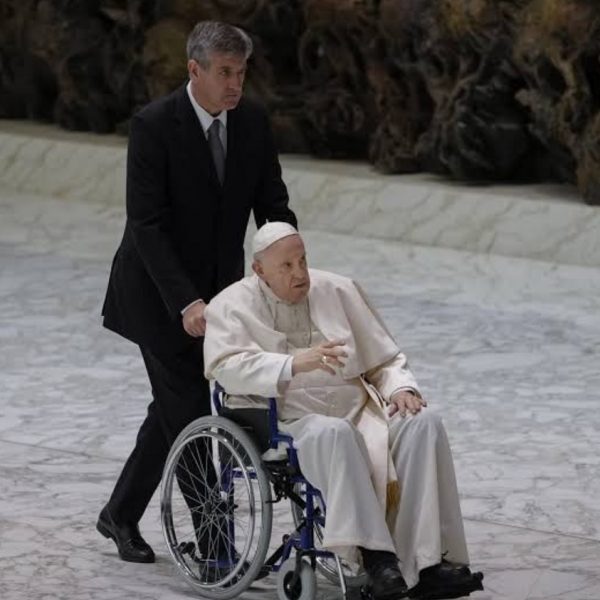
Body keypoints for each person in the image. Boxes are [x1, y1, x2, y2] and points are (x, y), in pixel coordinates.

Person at [98, 22, 296, 563]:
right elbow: (147, 225)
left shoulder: (252, 122)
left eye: (241, 72)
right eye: (225, 73)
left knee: (171, 406)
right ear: (195, 70)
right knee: (187, 411)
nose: (235, 84)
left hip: (221, 293)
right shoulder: (154, 126)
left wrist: (288, 266)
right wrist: (186, 302)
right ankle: (217, 550)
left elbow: (273, 204)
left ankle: (118, 514)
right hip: (156, 296)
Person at [203, 222, 484, 600]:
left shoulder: (337, 289)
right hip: (290, 421)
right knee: (333, 433)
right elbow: (227, 368)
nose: (300, 273)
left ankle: (428, 561)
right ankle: (377, 560)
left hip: (360, 410)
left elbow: (384, 358)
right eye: (286, 266)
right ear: (259, 270)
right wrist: (292, 364)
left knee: (423, 422)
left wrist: (400, 387)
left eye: (302, 260)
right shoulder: (231, 305)